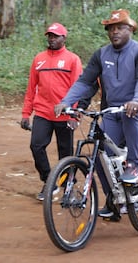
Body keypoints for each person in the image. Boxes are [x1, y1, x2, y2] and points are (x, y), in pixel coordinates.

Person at [54, 9, 138, 217]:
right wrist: (67, 102)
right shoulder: (101, 54)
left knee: (131, 115)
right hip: (112, 111)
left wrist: (137, 100)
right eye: (111, 29)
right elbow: (85, 82)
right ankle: (115, 201)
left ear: (130, 29)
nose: (114, 32)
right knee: (100, 154)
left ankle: (134, 166)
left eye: (120, 27)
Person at [20, 22, 83, 201]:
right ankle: (49, 182)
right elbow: (31, 88)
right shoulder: (39, 59)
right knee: (36, 145)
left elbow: (77, 88)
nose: (52, 39)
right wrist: (26, 113)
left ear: (64, 38)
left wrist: (74, 114)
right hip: (43, 112)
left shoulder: (73, 59)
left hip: (65, 113)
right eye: (50, 35)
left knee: (66, 153)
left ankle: (68, 188)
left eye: (56, 36)